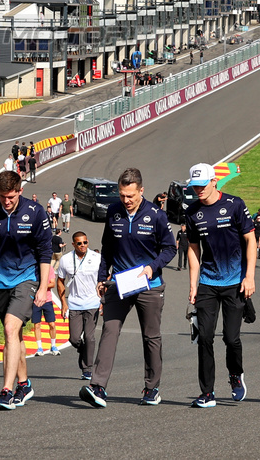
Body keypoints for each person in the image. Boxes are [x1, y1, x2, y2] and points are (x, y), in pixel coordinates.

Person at [80, 167, 176, 409]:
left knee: (150, 336)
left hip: (149, 285)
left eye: (131, 196)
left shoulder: (156, 215)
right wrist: (102, 278)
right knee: (109, 331)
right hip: (119, 284)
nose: (126, 201)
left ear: (141, 191)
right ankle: (97, 386)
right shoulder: (113, 212)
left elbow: (170, 249)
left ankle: (152, 388)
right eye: (122, 195)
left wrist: (152, 267)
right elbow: (107, 248)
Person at [0, 169, 53, 410]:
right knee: (14, 336)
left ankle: (6, 391)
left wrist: (44, 287)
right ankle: (24, 384)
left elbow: (45, 253)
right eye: (3, 196)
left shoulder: (35, 213)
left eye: (11, 197)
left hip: (27, 278)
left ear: (20, 191)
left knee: (10, 328)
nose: (7, 201)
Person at [183, 162, 257, 408]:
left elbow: (250, 240)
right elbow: (193, 250)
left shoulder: (235, 204)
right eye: (195, 187)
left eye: (202, 185)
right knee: (204, 337)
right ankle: (207, 393)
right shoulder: (192, 212)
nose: (198, 191)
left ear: (214, 181)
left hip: (235, 282)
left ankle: (236, 374)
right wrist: (193, 285)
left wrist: (250, 276)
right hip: (207, 282)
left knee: (230, 337)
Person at [58, 230, 103, 380]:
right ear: (73, 244)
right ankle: (84, 350)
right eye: (79, 243)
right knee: (75, 339)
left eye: (85, 242)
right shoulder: (65, 260)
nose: (83, 245)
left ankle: (87, 368)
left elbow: (105, 277)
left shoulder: (97, 258)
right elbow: (60, 281)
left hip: (92, 303)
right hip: (75, 304)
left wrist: (103, 299)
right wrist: (63, 302)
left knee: (90, 337)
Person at [29, 260, 62, 357]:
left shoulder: (49, 268)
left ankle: (53, 346)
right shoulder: (33, 269)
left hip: (47, 300)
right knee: (37, 325)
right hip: (35, 301)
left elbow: (52, 283)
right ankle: (39, 348)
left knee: (52, 323)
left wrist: (42, 286)